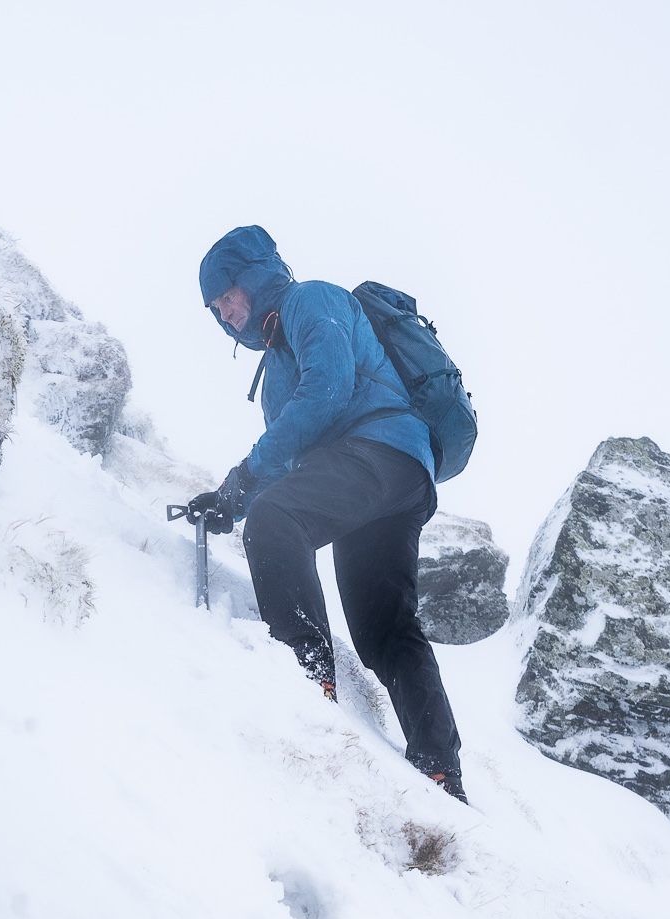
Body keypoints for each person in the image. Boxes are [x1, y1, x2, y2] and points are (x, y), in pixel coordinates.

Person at [189, 225, 467, 802]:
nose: (225, 312)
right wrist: (232, 498)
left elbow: (329, 391)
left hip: (380, 449)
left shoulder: (311, 300)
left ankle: (305, 670)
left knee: (275, 517)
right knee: (382, 630)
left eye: (228, 294)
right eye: (216, 307)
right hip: (392, 477)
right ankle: (440, 769)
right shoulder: (272, 373)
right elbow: (295, 464)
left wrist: (245, 488)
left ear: (254, 278)